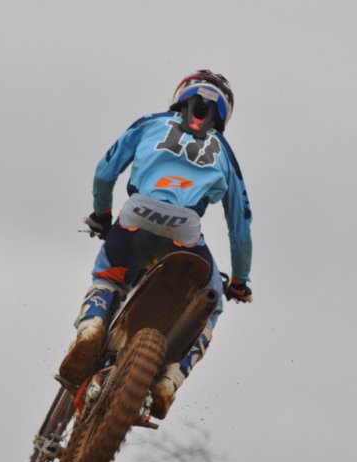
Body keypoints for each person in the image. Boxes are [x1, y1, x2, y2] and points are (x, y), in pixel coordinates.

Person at [59, 70, 253, 419]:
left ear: (181, 94)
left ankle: (90, 329)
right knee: (211, 303)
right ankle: (170, 380)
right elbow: (240, 228)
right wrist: (239, 280)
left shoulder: (149, 123)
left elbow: (105, 172)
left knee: (108, 277)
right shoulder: (225, 152)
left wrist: (101, 214)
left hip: (135, 218)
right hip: (185, 235)